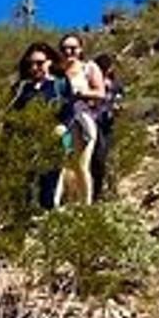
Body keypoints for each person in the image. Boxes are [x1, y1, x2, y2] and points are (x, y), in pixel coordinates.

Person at [11, 42, 72, 210]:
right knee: (24, 188)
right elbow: (11, 116)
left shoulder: (60, 84)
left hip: (53, 141)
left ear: (50, 62)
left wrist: (62, 127)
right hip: (25, 144)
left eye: (39, 63)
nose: (35, 67)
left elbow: (69, 109)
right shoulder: (21, 88)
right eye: (30, 63)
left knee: (49, 186)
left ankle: (47, 223)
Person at [58, 32, 109, 206]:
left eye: (72, 48)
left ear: (80, 49)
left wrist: (82, 94)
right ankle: (63, 204)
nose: (68, 52)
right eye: (65, 49)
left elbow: (101, 93)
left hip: (83, 120)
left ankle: (86, 206)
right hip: (62, 122)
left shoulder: (89, 68)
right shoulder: (58, 72)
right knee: (63, 167)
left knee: (82, 165)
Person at [91, 52, 124, 201]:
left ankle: (97, 193)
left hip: (107, 124)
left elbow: (119, 101)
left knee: (101, 158)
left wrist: (117, 109)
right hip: (92, 122)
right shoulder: (91, 83)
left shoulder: (116, 85)